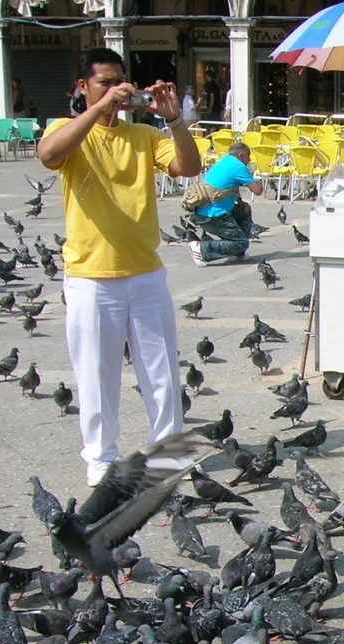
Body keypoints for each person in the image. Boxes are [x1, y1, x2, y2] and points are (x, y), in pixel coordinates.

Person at [38, 47, 202, 486]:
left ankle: (166, 455)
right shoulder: (68, 130)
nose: (114, 90)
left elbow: (189, 166)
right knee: (96, 372)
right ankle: (100, 457)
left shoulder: (142, 137)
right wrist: (99, 111)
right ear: (83, 87)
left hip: (145, 271)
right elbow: (49, 154)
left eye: (119, 82)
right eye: (103, 83)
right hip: (91, 275)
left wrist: (173, 118)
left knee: (161, 371)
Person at [189, 141, 264, 266]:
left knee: (244, 210)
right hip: (212, 217)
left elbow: (230, 185)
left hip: (204, 212)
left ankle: (237, 253)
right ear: (241, 156)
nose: (249, 159)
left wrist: (240, 201)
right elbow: (257, 191)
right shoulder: (238, 166)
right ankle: (201, 249)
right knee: (242, 242)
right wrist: (259, 179)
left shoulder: (224, 161)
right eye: (248, 156)